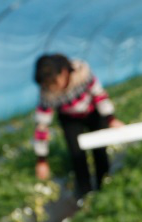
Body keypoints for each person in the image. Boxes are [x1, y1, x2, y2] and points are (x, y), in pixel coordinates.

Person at [32, 54, 123, 195]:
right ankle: (86, 193)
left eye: (53, 83)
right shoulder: (47, 92)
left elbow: (99, 94)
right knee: (77, 155)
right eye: (47, 85)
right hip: (70, 119)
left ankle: (104, 186)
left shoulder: (81, 72)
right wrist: (42, 160)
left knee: (99, 150)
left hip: (92, 113)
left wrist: (111, 119)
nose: (52, 88)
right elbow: (42, 126)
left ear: (63, 72)